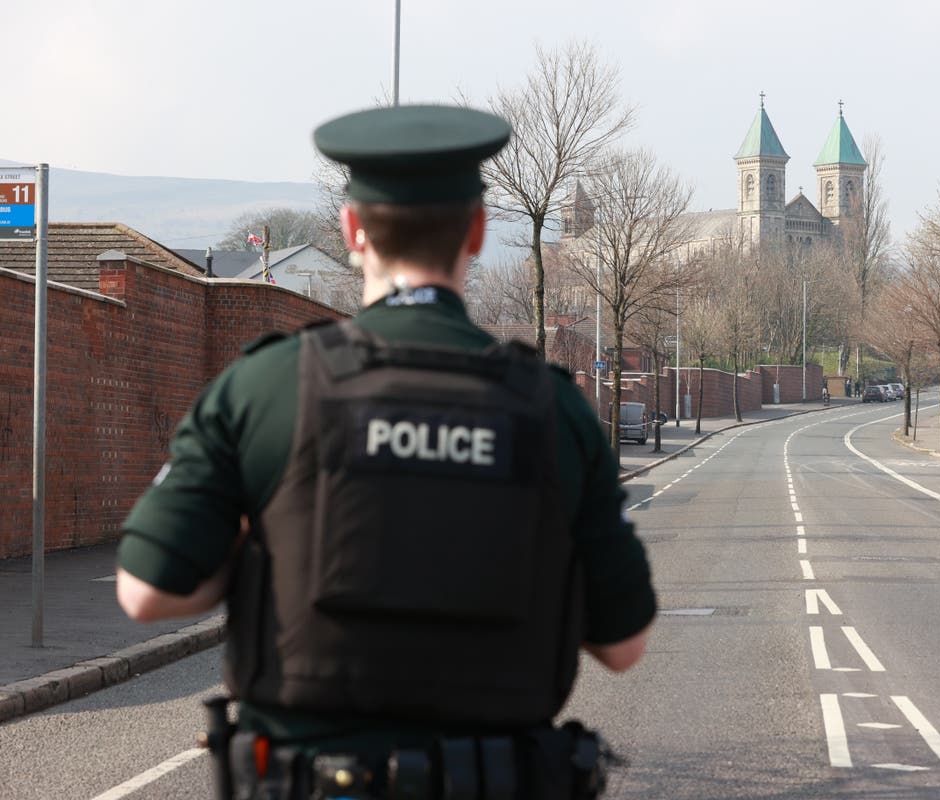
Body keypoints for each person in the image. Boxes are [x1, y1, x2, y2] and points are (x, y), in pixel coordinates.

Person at [115, 104, 656, 800]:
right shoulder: (555, 411)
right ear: (477, 233)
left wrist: (264, 541)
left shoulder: (267, 387)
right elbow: (623, 645)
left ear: (351, 232)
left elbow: (146, 590)